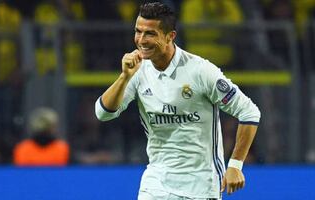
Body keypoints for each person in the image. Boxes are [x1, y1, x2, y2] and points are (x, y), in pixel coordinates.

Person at [94, 2, 260, 199]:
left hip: (201, 186)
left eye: (150, 33)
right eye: (138, 32)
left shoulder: (200, 70)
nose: (141, 40)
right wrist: (124, 77)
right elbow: (103, 113)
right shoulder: (137, 71)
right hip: (155, 185)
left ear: (170, 36)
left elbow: (249, 112)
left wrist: (235, 165)